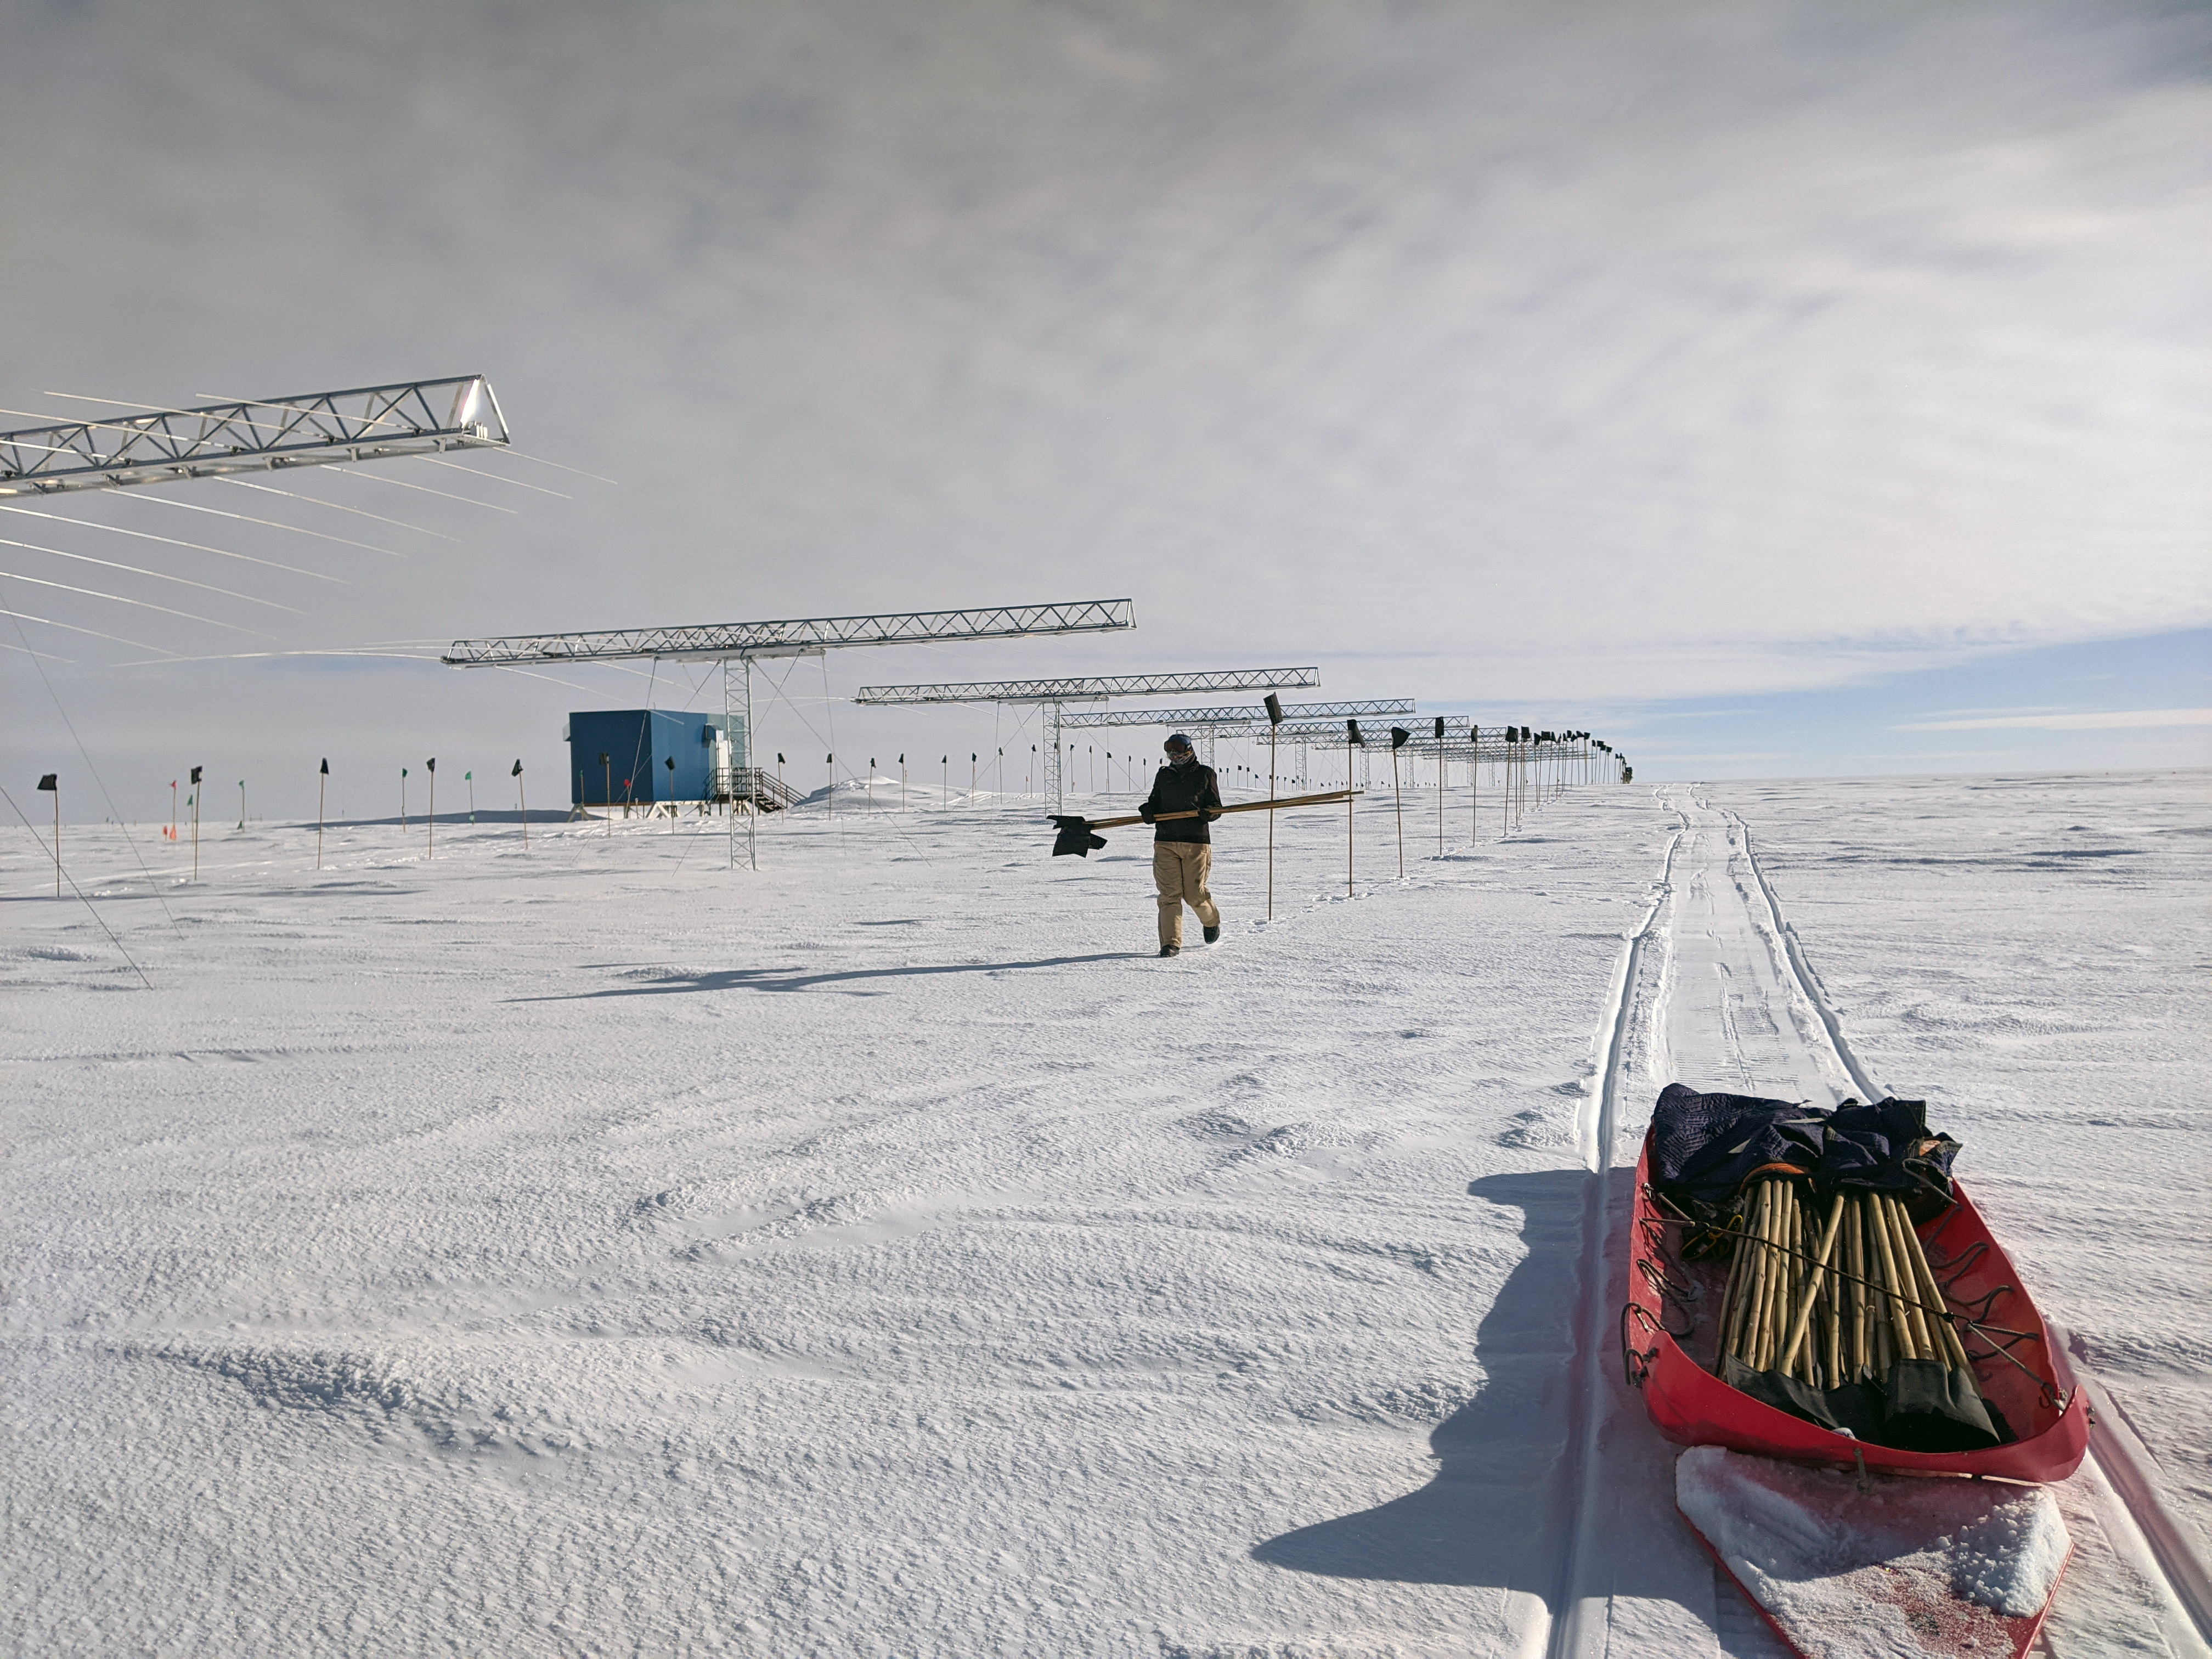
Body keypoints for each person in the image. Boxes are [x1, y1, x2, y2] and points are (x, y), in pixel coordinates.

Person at [1139, 733, 1222, 956]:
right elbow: (1154, 802)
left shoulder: (1205, 774)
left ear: (1189, 751)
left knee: (1194, 895)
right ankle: (1171, 944)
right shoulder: (1164, 775)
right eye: (1169, 752)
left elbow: (1216, 807)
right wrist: (1148, 811)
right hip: (1165, 841)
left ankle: (1211, 921)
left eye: (1177, 751)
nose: (1173, 756)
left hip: (1195, 843)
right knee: (1169, 895)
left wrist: (1209, 813)